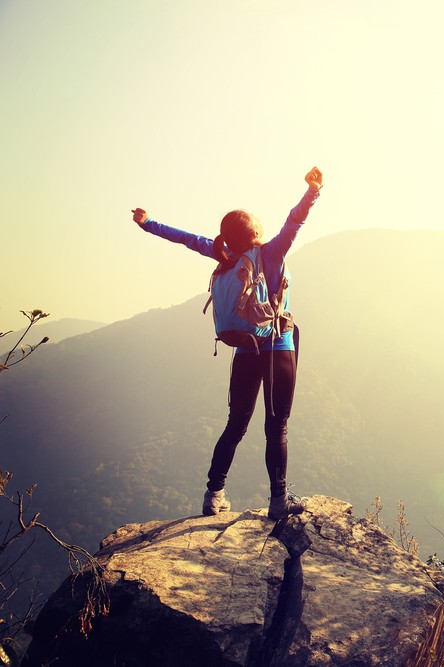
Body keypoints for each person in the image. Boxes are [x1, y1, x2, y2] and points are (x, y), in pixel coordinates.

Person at [131, 167, 323, 520]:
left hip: (244, 349)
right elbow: (294, 222)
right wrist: (313, 191)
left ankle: (213, 494)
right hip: (278, 347)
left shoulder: (224, 254)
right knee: (276, 426)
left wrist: (148, 223)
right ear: (254, 233)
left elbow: (185, 238)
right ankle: (278, 502)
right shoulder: (271, 253)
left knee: (236, 424)